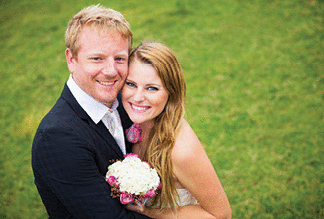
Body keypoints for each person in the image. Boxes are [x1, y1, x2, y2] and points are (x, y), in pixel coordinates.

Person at [32, 5, 152, 218]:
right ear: (71, 59)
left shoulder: (128, 102)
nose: (110, 71)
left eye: (119, 58)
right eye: (97, 58)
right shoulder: (57, 138)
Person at [122, 41, 232, 218]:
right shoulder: (131, 123)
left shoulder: (181, 150)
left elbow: (220, 214)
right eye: (131, 84)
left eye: (152, 88)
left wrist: (149, 212)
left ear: (170, 92)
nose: (137, 97)